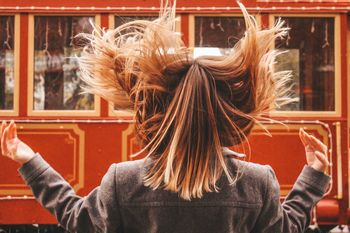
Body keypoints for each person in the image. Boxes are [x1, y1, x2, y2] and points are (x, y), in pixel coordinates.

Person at [0, 2, 330, 233]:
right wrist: (313, 176)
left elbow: (78, 219)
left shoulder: (124, 182)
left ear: (158, 113)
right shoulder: (257, 183)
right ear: (227, 116)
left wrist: (29, 160)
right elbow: (285, 228)